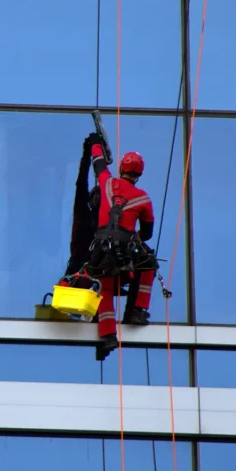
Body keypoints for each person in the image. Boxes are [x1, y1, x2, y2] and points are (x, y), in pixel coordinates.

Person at [84, 132, 157, 358]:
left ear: (121, 169)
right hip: (125, 255)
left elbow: (98, 163)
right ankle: (136, 311)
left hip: (100, 255)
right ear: (139, 174)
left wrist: (95, 144)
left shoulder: (107, 182)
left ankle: (107, 336)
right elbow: (147, 234)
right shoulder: (143, 199)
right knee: (150, 265)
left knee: (104, 288)